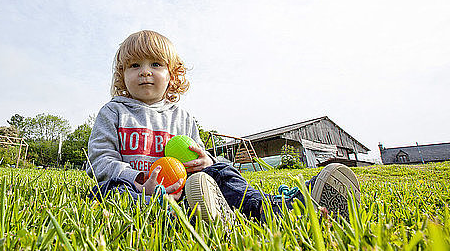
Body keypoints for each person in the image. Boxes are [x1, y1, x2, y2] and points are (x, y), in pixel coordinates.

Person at [86, 30, 360, 223]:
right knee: (108, 190)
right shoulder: (114, 112)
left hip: (186, 189)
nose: (145, 71)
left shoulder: (183, 118)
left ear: (172, 75)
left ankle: (277, 207)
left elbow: (198, 159)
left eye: (155, 64)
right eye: (135, 65)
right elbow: (99, 160)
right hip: (139, 192)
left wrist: (205, 161)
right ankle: (177, 214)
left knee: (219, 169)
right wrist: (138, 180)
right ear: (123, 74)